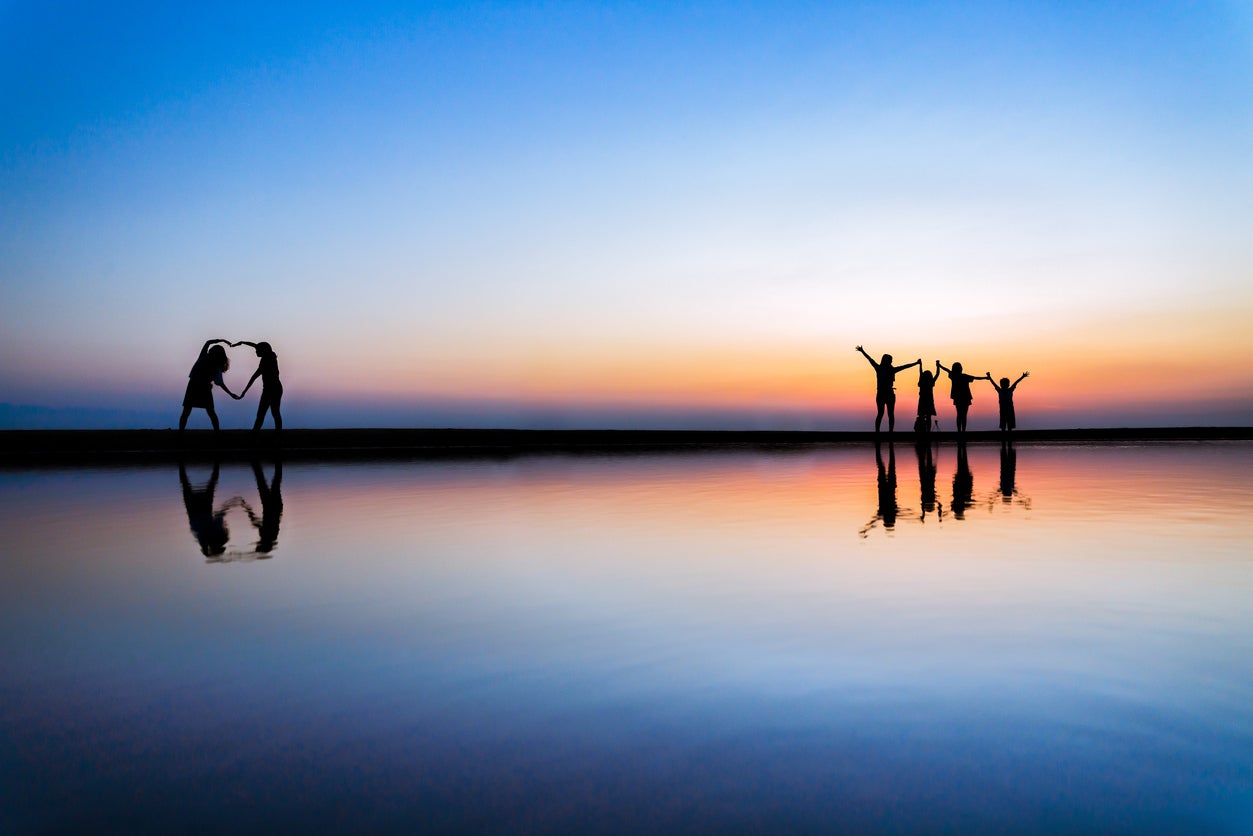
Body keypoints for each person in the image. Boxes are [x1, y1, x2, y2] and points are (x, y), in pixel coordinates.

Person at [855, 346, 921, 433]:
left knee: (886, 414)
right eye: (890, 360)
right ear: (887, 361)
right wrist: (862, 351)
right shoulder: (883, 369)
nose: (892, 362)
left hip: (886, 393)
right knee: (884, 414)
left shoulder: (883, 369)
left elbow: (904, 366)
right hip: (884, 393)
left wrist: (915, 363)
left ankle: (886, 432)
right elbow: (870, 359)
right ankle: (882, 431)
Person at [179, 339, 237, 430]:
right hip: (194, 386)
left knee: (209, 411)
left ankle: (217, 433)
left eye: (212, 351)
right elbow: (208, 342)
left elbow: (220, 383)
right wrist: (222, 340)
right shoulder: (203, 356)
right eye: (210, 351)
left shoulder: (214, 365)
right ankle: (180, 433)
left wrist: (230, 393)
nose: (210, 352)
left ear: (216, 354)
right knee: (188, 411)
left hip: (201, 387)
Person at [233, 341, 283, 431]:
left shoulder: (268, 360)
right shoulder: (267, 357)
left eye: (257, 350)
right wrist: (242, 342)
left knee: (270, 413)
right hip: (271, 389)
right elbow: (256, 345)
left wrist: (244, 392)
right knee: (267, 413)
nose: (255, 351)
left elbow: (253, 377)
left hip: (273, 389)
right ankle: (261, 433)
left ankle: (259, 434)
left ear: (263, 350)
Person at [936, 360, 981, 434]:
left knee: (959, 414)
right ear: (961, 369)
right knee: (963, 415)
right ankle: (962, 430)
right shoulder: (964, 376)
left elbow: (946, 370)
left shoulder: (954, 376)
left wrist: (939, 365)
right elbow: (976, 378)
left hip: (958, 397)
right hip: (965, 397)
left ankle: (960, 431)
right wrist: (986, 378)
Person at [915, 367, 939, 433]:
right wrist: (938, 366)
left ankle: (921, 431)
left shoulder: (922, 382)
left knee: (921, 416)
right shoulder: (931, 382)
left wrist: (920, 365)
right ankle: (928, 431)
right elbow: (937, 374)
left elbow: (920, 372)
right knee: (929, 417)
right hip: (929, 401)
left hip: (922, 401)